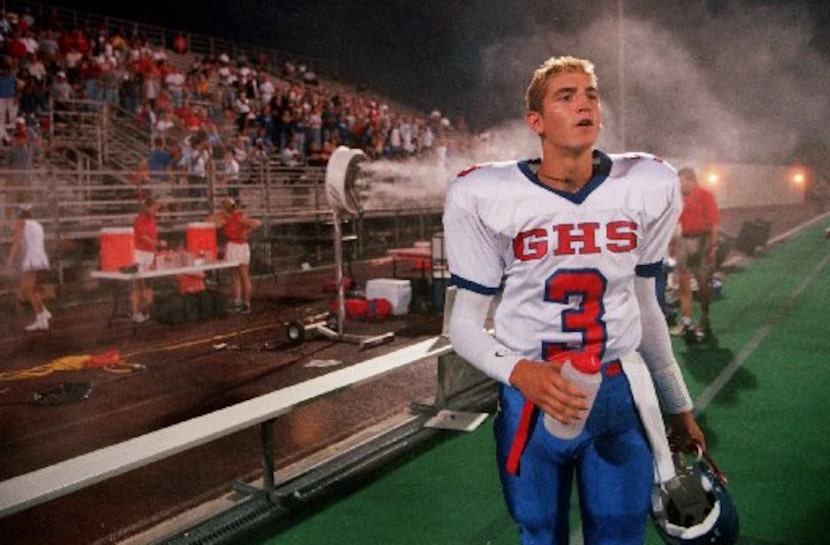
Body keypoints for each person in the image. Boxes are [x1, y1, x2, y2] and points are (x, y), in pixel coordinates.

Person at [443, 56, 705, 544]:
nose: (584, 103)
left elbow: (647, 308)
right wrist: (522, 373)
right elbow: (463, 326)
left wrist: (677, 404)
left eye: (590, 94)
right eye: (566, 96)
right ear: (536, 123)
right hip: (532, 394)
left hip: (617, 391)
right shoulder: (484, 193)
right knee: (540, 532)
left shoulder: (647, 183)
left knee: (621, 533)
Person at [669, 167, 720, 340]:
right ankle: (685, 322)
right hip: (684, 240)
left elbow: (714, 224)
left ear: (691, 180)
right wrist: (672, 243)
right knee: (684, 283)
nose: (679, 186)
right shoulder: (678, 198)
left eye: (681, 182)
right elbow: (675, 222)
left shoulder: (706, 196)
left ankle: (704, 320)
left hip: (702, 241)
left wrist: (712, 247)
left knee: (702, 284)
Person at [207, 197, 260, 314]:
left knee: (243, 275)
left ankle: (246, 303)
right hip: (233, 246)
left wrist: (246, 232)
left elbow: (256, 223)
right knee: (235, 276)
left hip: (239, 246)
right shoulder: (225, 217)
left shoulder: (239, 216)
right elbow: (209, 220)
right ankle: (237, 301)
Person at [5, 204, 51, 331]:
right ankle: (44, 312)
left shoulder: (21, 223)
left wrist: (9, 262)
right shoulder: (37, 224)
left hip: (32, 259)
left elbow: (16, 244)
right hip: (39, 257)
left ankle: (41, 319)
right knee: (31, 288)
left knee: (27, 289)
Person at [131, 197, 167, 323]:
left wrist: (156, 252)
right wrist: (158, 244)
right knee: (138, 284)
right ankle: (136, 312)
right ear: (147, 207)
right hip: (139, 253)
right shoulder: (139, 220)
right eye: (154, 209)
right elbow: (143, 237)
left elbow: (152, 237)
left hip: (149, 254)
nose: (155, 212)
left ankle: (146, 310)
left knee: (148, 283)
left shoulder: (152, 220)